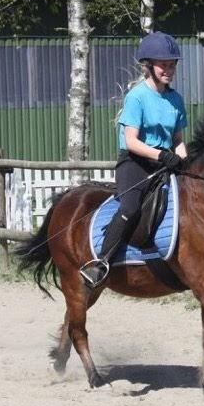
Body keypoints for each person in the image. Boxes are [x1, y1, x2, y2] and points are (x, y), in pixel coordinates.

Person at [80, 31, 189, 289]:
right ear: (149, 66)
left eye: (172, 65)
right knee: (130, 208)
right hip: (135, 162)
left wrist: (184, 160)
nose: (169, 70)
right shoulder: (137, 96)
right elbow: (131, 141)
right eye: (163, 65)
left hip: (165, 162)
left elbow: (178, 139)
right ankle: (101, 263)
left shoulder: (175, 99)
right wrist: (162, 155)